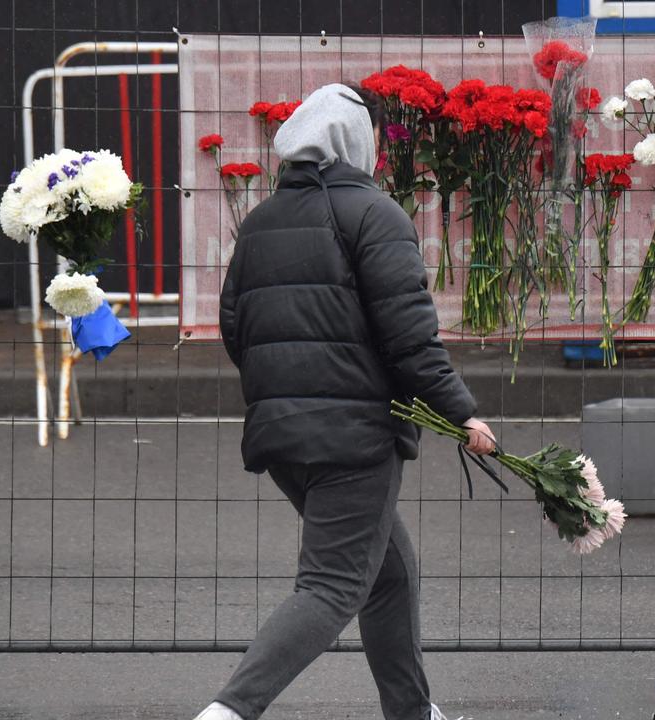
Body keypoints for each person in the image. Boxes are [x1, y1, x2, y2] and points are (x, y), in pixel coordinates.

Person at [197, 82, 494, 720]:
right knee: (332, 585)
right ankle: (226, 713)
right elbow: (410, 337)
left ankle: (413, 713)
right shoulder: (374, 213)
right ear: (357, 142)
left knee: (388, 571)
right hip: (354, 438)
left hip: (281, 436)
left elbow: (235, 330)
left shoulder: (259, 222)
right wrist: (461, 411)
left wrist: (286, 391)